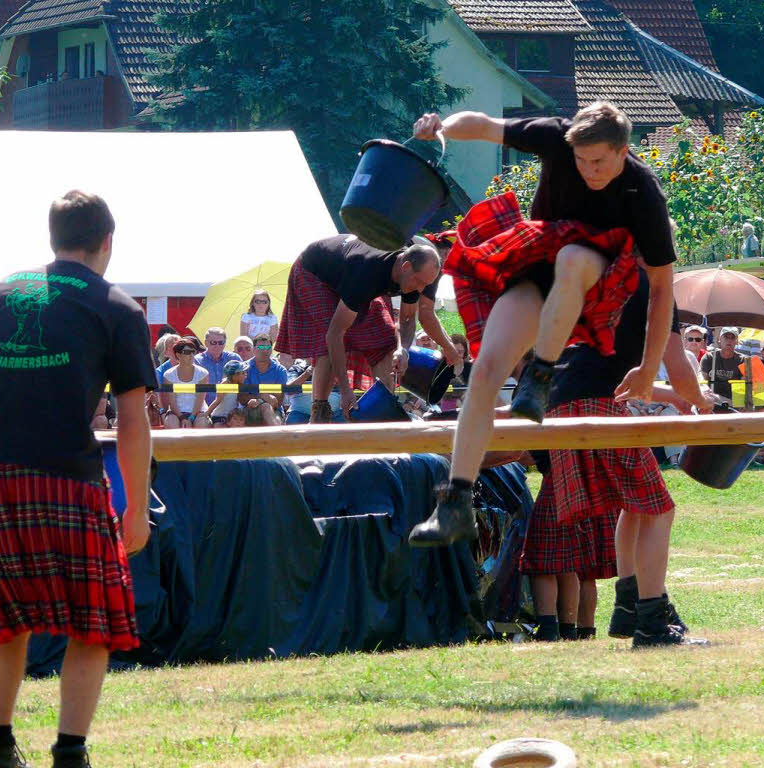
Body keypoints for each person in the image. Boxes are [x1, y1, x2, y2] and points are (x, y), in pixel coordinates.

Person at [408, 101, 676, 547]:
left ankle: (541, 375)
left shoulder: (642, 190)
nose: (589, 171)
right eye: (580, 161)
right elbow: (484, 124)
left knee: (573, 257)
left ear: (623, 150)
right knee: (488, 368)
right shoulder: (556, 135)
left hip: (601, 287)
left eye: (599, 162)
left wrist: (649, 368)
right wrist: (441, 128)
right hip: (541, 268)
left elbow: (664, 288)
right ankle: (455, 502)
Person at [0, 191, 154, 768]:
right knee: (94, 621)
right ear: (107, 242)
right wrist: (136, 508)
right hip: (65, 477)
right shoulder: (118, 307)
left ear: (52, 239)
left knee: (4, 618)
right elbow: (132, 418)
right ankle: (70, 753)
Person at [520, 274, 713, 647]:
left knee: (638, 505)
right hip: (596, 405)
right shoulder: (655, 288)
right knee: (659, 509)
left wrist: (674, 398)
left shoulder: (601, 278)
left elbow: (600, 369)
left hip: (563, 404)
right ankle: (652, 621)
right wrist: (705, 402)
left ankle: (627, 607)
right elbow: (676, 361)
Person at [275, 235, 451, 422]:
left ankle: (382, 412)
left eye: (426, 284)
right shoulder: (367, 271)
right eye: (419, 281)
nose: (421, 288)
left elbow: (407, 319)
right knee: (328, 340)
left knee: (386, 340)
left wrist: (404, 349)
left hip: (349, 275)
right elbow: (335, 335)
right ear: (406, 267)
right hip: (314, 273)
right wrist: (345, 390)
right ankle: (320, 411)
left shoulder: (411, 277)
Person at [162, 338, 211, 429]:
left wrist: (191, 418)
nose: (192, 355)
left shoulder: (203, 373)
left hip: (198, 412)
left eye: (193, 351)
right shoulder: (168, 375)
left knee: (202, 424)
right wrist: (182, 418)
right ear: (178, 355)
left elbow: (200, 400)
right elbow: (172, 402)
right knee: (171, 423)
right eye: (187, 352)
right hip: (176, 413)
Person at [241, 332, 287, 426]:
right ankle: (278, 435)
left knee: (267, 408)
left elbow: (278, 402)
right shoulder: (244, 368)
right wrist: (262, 396)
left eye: (268, 347)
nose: (264, 351)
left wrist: (260, 399)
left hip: (274, 411)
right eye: (261, 347)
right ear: (253, 349)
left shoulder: (280, 370)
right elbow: (242, 398)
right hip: (248, 410)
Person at [194, 327, 241, 407]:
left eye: (221, 342)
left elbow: (243, 381)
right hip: (203, 407)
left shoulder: (234, 359)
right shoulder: (197, 361)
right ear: (206, 343)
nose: (217, 345)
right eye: (213, 342)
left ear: (225, 343)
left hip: (231, 409)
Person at [699, 327, 744, 402]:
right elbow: (703, 384)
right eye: (726, 337)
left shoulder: (742, 360)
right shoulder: (709, 357)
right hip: (712, 401)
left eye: (732, 338)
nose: (729, 340)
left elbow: (742, 389)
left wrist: (735, 404)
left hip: (735, 402)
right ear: (719, 339)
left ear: (737, 341)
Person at [206, 359, 247, 427]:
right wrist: (206, 413)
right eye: (242, 373)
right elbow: (218, 400)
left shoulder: (240, 384)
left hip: (233, 417)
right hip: (220, 416)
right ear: (234, 375)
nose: (245, 375)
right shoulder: (225, 384)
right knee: (221, 430)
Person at [284, 359, 314, 425]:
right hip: (299, 413)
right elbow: (289, 390)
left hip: (333, 413)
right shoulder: (295, 368)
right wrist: (307, 373)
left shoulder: (331, 367)